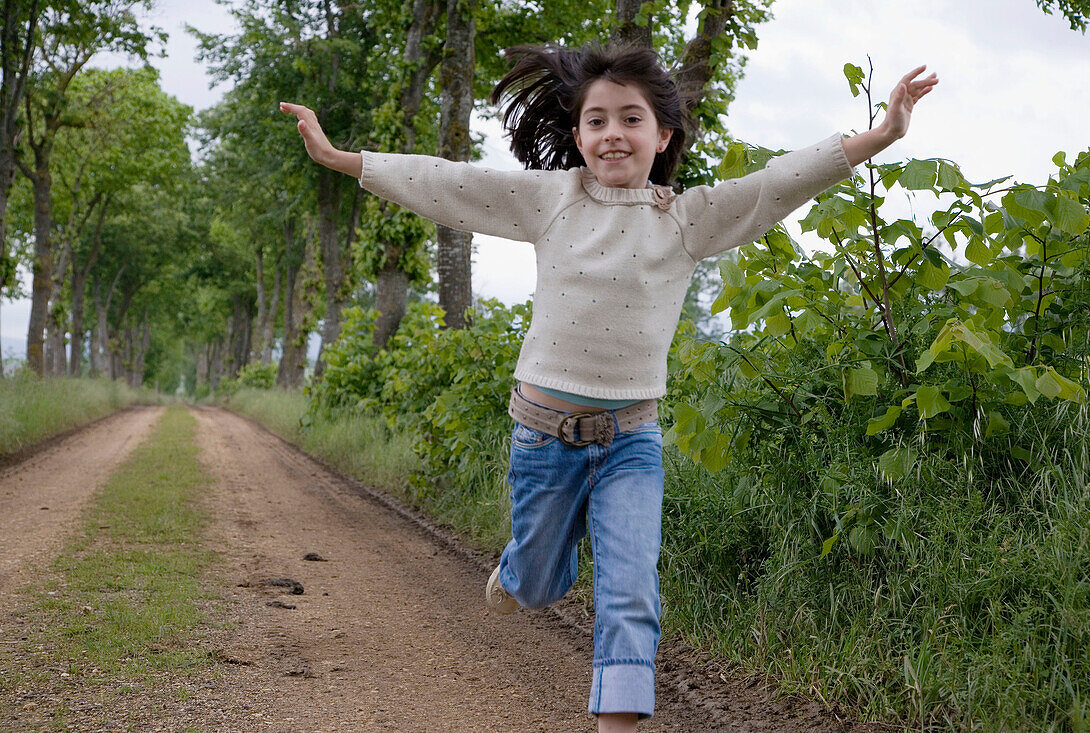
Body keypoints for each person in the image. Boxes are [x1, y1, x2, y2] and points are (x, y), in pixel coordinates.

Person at [281, 43, 936, 733]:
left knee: (629, 595)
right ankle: (523, 566)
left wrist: (882, 134)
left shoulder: (687, 220)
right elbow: (452, 183)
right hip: (542, 435)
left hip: (631, 442)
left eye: (631, 118)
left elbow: (777, 184)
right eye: (597, 120)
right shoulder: (551, 200)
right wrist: (345, 159)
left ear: (664, 136)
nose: (613, 133)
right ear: (577, 136)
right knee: (535, 585)